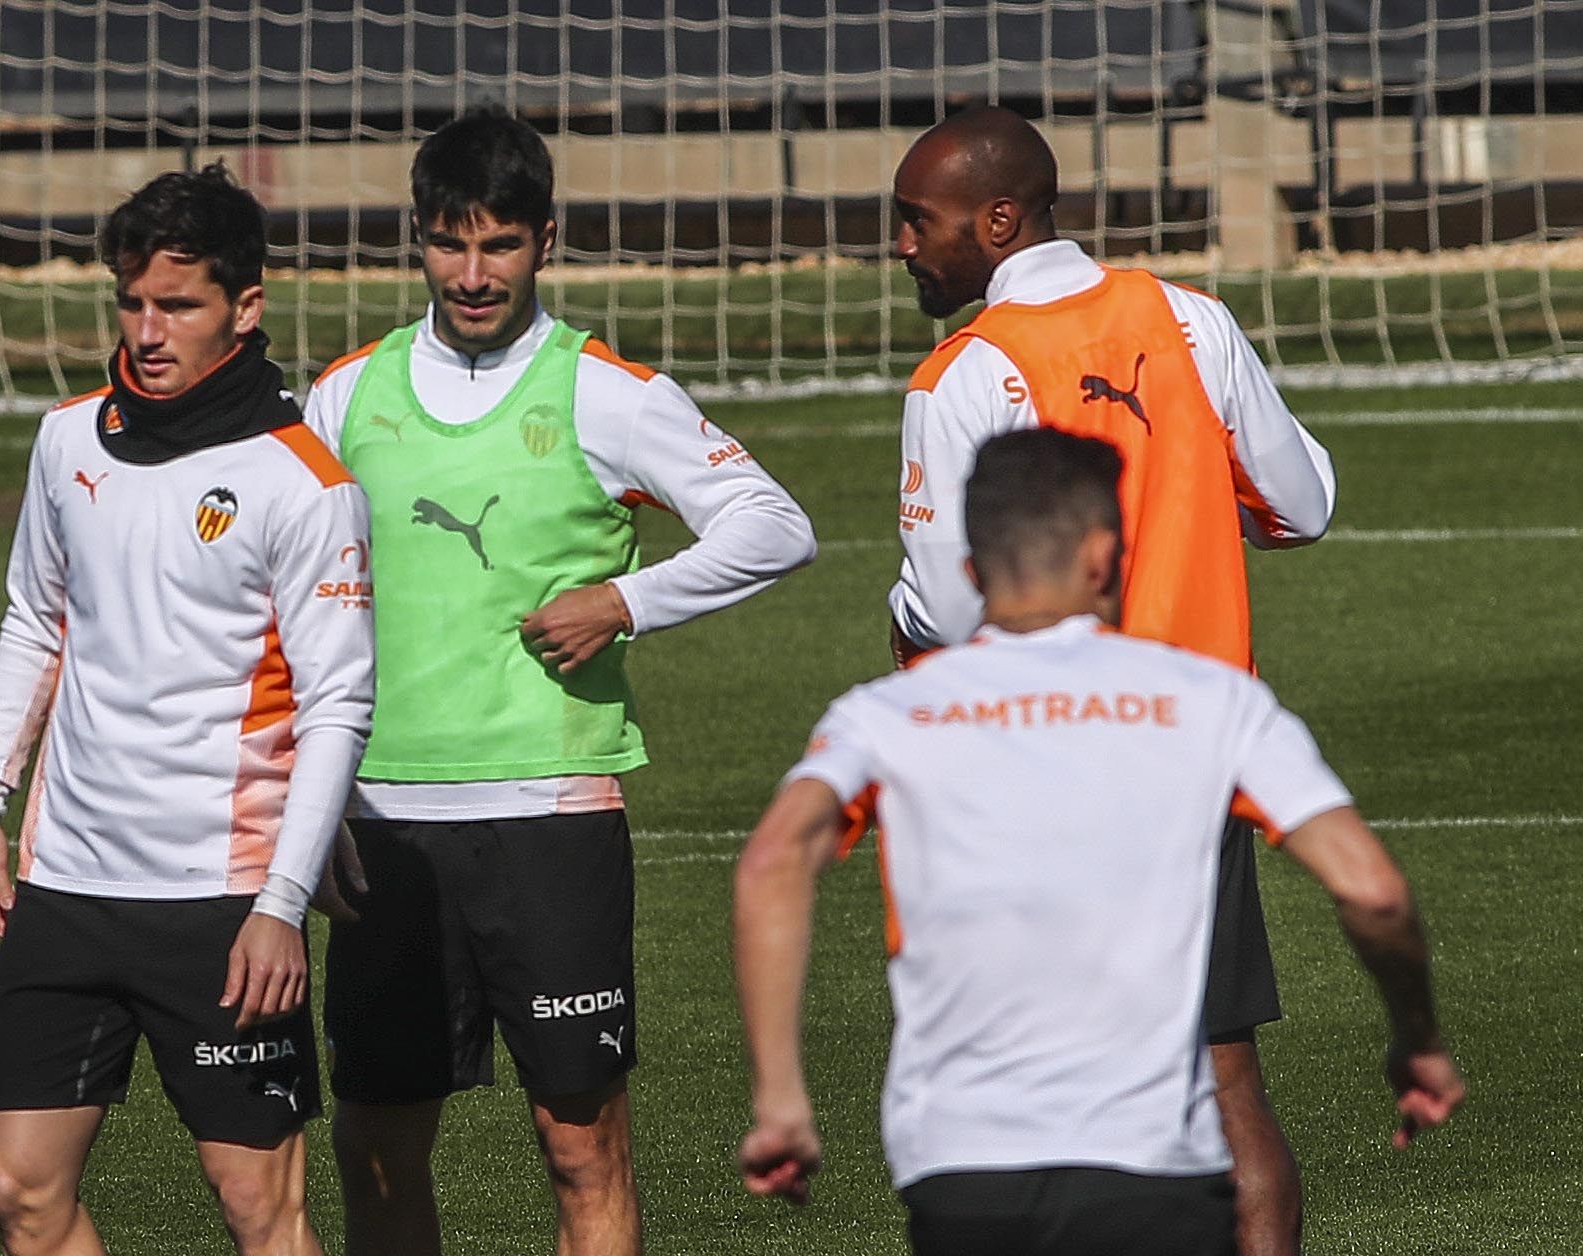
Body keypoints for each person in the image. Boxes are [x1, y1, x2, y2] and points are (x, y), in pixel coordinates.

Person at [735, 428, 1464, 1256]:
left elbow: (772, 860)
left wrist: (781, 1101)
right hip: (1154, 1167)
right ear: (1106, 557)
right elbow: (1373, 890)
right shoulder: (1210, 700)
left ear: (972, 571)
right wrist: (1417, 1038)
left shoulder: (888, 713)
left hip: (962, 1168)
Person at [301, 104, 817, 1256]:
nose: (473, 272)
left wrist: (625, 600)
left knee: (581, 1143)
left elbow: (773, 524)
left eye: (500, 243)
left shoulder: (609, 393)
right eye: (449, 241)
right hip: (381, 820)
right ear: (417, 239)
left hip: (550, 819)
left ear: (548, 238)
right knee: (376, 1143)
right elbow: (280, 591)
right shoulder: (343, 396)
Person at [882, 106, 1340, 1255]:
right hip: (1189, 759)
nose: (902, 245)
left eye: (915, 221)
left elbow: (943, 610)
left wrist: (899, 624)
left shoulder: (962, 374)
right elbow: (1302, 503)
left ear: (997, 219)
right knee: (1225, 1077)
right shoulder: (1189, 318)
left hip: (1039, 776)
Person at [0, 163, 373, 1256]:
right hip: (68, 889)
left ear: (244, 308)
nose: (148, 329)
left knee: (260, 1209)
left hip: (220, 902)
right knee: (19, 1187)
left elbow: (338, 704)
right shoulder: (65, 441)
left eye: (178, 305)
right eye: (132, 302)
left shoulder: (303, 480)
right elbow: (31, 623)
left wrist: (282, 899)